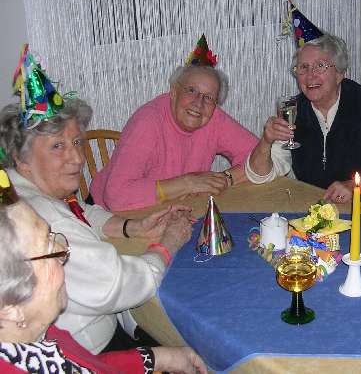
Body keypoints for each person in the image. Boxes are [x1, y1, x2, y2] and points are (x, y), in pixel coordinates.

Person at [2, 46, 193, 354]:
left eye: (77, 142)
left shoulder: (19, 188)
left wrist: (132, 227)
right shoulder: (44, 221)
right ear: (21, 158)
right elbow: (121, 285)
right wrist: (168, 243)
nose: (77, 157)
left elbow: (82, 212)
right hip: (89, 350)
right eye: (57, 146)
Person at [0, 198, 207, 374]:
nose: (63, 249)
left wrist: (157, 357)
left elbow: (88, 364)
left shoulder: (36, 335)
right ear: (12, 308)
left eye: (50, 237)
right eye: (48, 250)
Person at [246, 33, 361, 215]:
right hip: (325, 218)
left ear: (339, 73)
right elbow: (260, 176)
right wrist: (266, 142)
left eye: (320, 66)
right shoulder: (293, 111)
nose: (310, 75)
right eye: (303, 67)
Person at [90, 34, 258, 211]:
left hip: (172, 209)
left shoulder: (213, 117)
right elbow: (117, 195)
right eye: (191, 90)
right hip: (108, 214)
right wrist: (188, 183)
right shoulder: (148, 122)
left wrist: (226, 178)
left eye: (208, 97)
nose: (198, 103)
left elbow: (258, 155)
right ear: (174, 92)